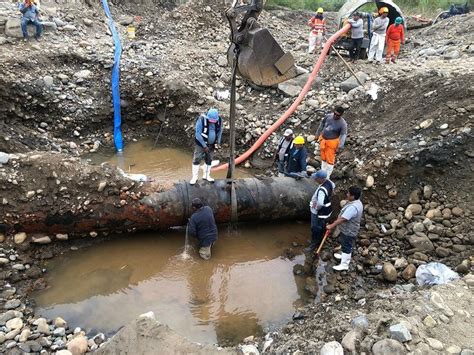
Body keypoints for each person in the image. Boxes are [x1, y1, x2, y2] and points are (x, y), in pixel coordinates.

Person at [326, 186, 363, 271]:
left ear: (353, 196)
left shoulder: (353, 208)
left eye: (348, 194)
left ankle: (344, 265)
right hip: (348, 229)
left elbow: (343, 219)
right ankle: (343, 256)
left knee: (347, 246)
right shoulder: (357, 202)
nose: (347, 194)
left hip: (349, 230)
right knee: (345, 244)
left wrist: (331, 226)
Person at [305, 170, 335, 253]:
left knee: (315, 228)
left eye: (316, 178)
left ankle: (313, 245)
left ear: (321, 179)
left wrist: (316, 207)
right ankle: (321, 239)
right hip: (327, 210)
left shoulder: (322, 190)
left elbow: (320, 203)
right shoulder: (329, 183)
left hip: (319, 212)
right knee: (322, 225)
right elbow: (334, 186)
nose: (315, 179)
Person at [190, 108, 222, 185]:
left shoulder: (219, 120)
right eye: (211, 120)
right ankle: (194, 177)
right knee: (197, 159)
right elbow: (198, 133)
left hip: (211, 144)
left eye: (214, 121)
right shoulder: (201, 120)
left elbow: (220, 131)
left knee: (209, 159)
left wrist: (218, 142)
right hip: (201, 144)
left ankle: (206, 175)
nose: (213, 122)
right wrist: (204, 146)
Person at [315, 106, 348, 178]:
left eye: (338, 115)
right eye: (335, 114)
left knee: (330, 160)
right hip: (323, 139)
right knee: (323, 158)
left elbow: (343, 136)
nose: (336, 116)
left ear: (341, 115)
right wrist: (317, 134)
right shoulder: (328, 116)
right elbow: (322, 125)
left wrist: (340, 147)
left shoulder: (343, 124)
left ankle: (327, 177)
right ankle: (322, 174)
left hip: (332, 142)